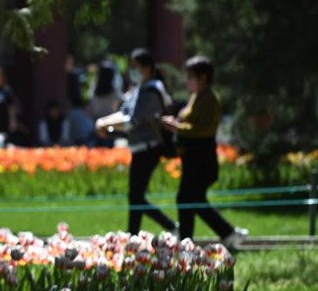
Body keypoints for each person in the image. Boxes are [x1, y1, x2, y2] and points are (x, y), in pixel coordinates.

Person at [162, 56, 248, 247]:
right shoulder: (197, 97)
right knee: (191, 199)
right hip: (192, 157)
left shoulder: (210, 99)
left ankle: (189, 241)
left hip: (202, 158)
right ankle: (224, 234)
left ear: (203, 77)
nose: (188, 80)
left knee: (188, 198)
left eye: (191, 76)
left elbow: (203, 130)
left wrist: (176, 127)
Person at [95, 48, 177, 235]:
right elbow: (124, 113)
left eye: (136, 66)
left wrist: (105, 123)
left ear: (147, 68)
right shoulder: (138, 89)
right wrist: (106, 122)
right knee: (136, 196)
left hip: (150, 148)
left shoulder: (151, 90)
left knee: (136, 197)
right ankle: (134, 234)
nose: (132, 70)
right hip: (139, 148)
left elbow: (132, 121)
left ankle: (170, 227)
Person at [88, 61, 122, 147]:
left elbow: (90, 104)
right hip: (110, 120)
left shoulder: (94, 89)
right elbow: (119, 103)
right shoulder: (114, 90)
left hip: (96, 120)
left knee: (98, 149)